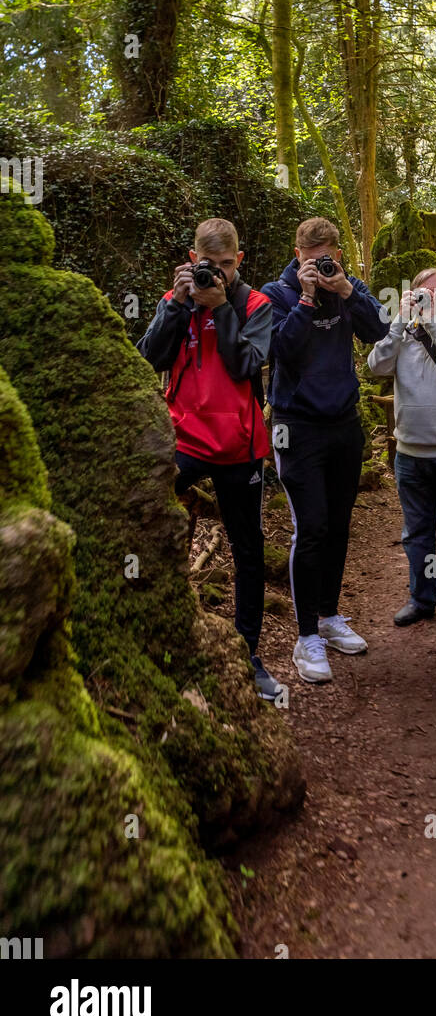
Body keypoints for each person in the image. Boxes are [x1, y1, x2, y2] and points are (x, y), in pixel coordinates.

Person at [136, 217, 283, 702]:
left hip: (239, 447)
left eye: (224, 266)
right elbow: (149, 360)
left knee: (248, 548)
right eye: (207, 265)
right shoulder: (177, 299)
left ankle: (248, 653)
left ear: (238, 261)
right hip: (184, 439)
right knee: (140, 514)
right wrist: (177, 306)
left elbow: (246, 365)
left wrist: (222, 310)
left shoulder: (255, 303)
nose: (215, 275)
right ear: (191, 259)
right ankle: (156, 628)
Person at [263, 217, 386, 684]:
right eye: (312, 260)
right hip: (296, 428)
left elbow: (378, 331)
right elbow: (283, 352)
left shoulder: (347, 286)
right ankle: (305, 636)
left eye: (328, 258)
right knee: (310, 527)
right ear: (298, 255)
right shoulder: (276, 295)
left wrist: (347, 292)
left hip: (344, 424)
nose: (320, 266)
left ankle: (331, 616)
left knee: (337, 526)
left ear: (338, 253)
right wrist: (308, 297)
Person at [367, 268, 436, 627]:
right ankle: (422, 598)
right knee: (417, 534)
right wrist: (400, 321)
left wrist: (433, 320)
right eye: (423, 294)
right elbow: (375, 366)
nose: (430, 299)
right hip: (410, 455)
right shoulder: (401, 336)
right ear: (410, 296)